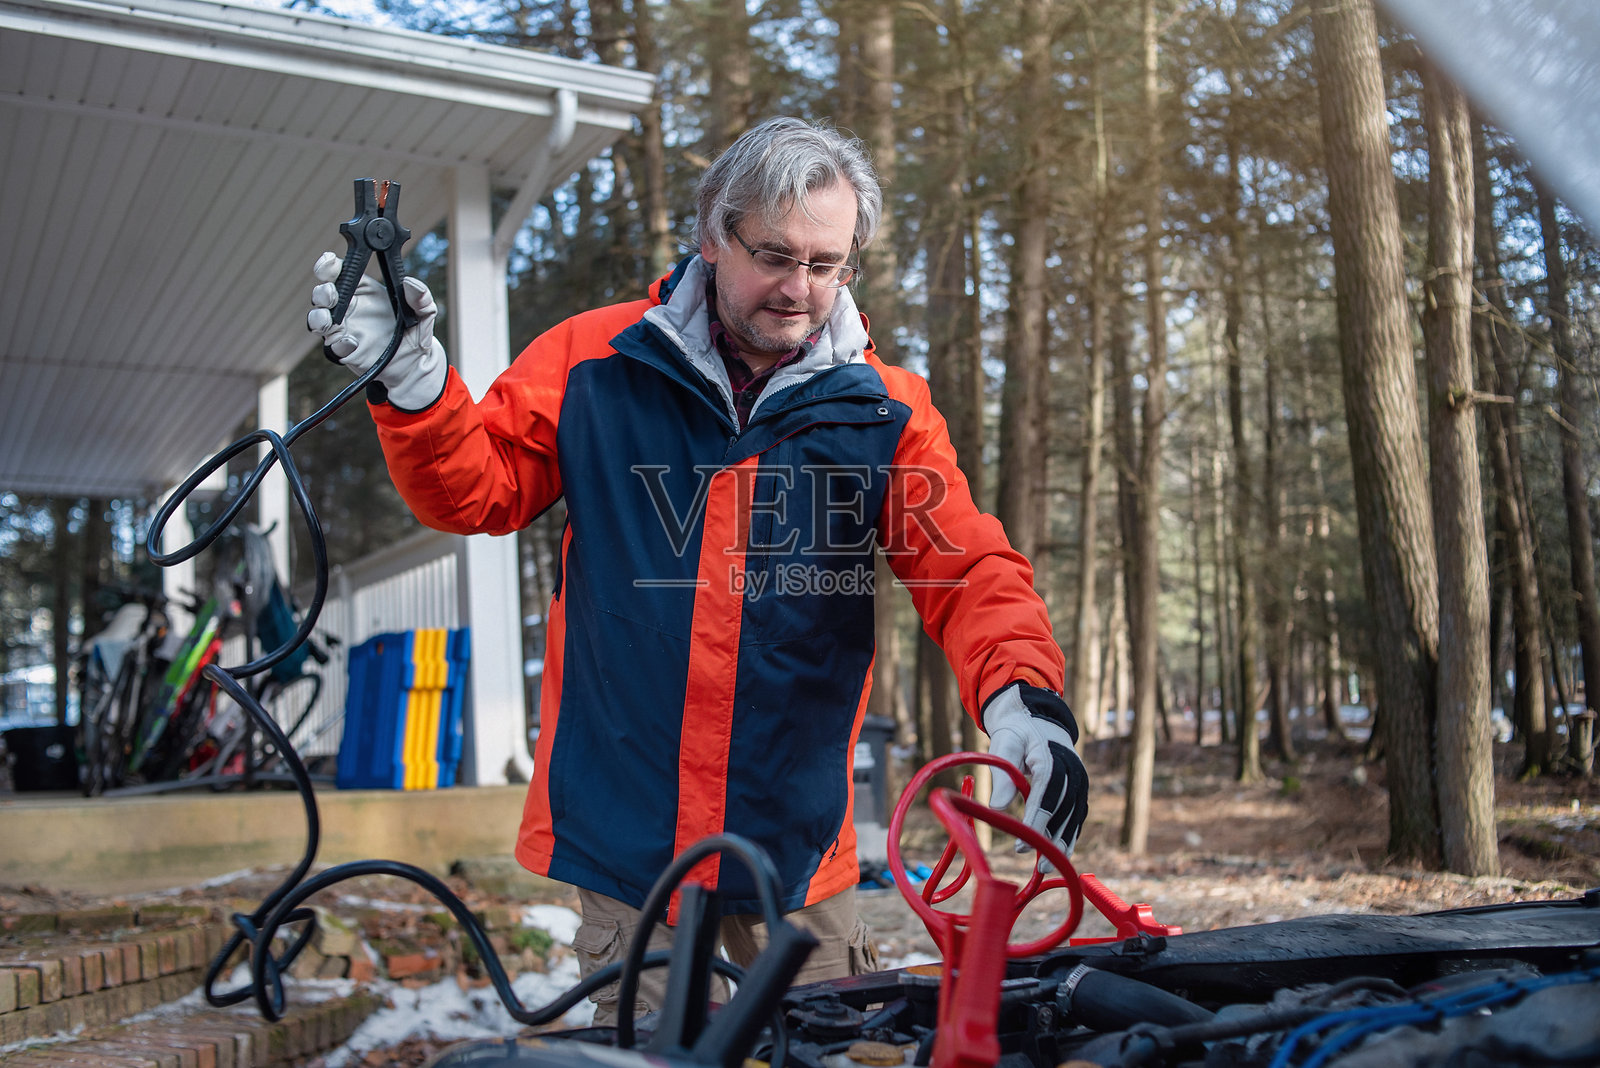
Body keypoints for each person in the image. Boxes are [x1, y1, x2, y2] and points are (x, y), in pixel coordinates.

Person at [307, 116, 1089, 1023]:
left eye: (829, 264)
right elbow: (475, 491)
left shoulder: (887, 409)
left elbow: (966, 565)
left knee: (829, 1044)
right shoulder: (595, 361)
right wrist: (413, 384)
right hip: (630, 845)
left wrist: (1019, 694)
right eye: (775, 256)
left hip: (796, 848)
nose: (802, 291)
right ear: (713, 236)